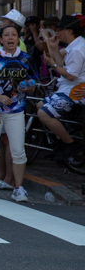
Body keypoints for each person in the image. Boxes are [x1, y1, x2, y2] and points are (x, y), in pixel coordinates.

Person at [0, 24, 36, 202]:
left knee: (18, 150)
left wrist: (26, 88)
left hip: (16, 110)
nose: (10, 38)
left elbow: (33, 86)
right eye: (6, 35)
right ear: (1, 39)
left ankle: (19, 188)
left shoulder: (26, 59)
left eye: (13, 35)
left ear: (18, 38)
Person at [38, 15, 85, 165]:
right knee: (39, 105)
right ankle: (61, 139)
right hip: (67, 89)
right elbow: (59, 59)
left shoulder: (78, 48)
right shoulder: (74, 45)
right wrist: (52, 46)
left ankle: (70, 144)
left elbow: (71, 75)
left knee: (43, 113)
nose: (57, 33)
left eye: (59, 30)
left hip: (75, 91)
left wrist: (53, 64)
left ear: (69, 31)